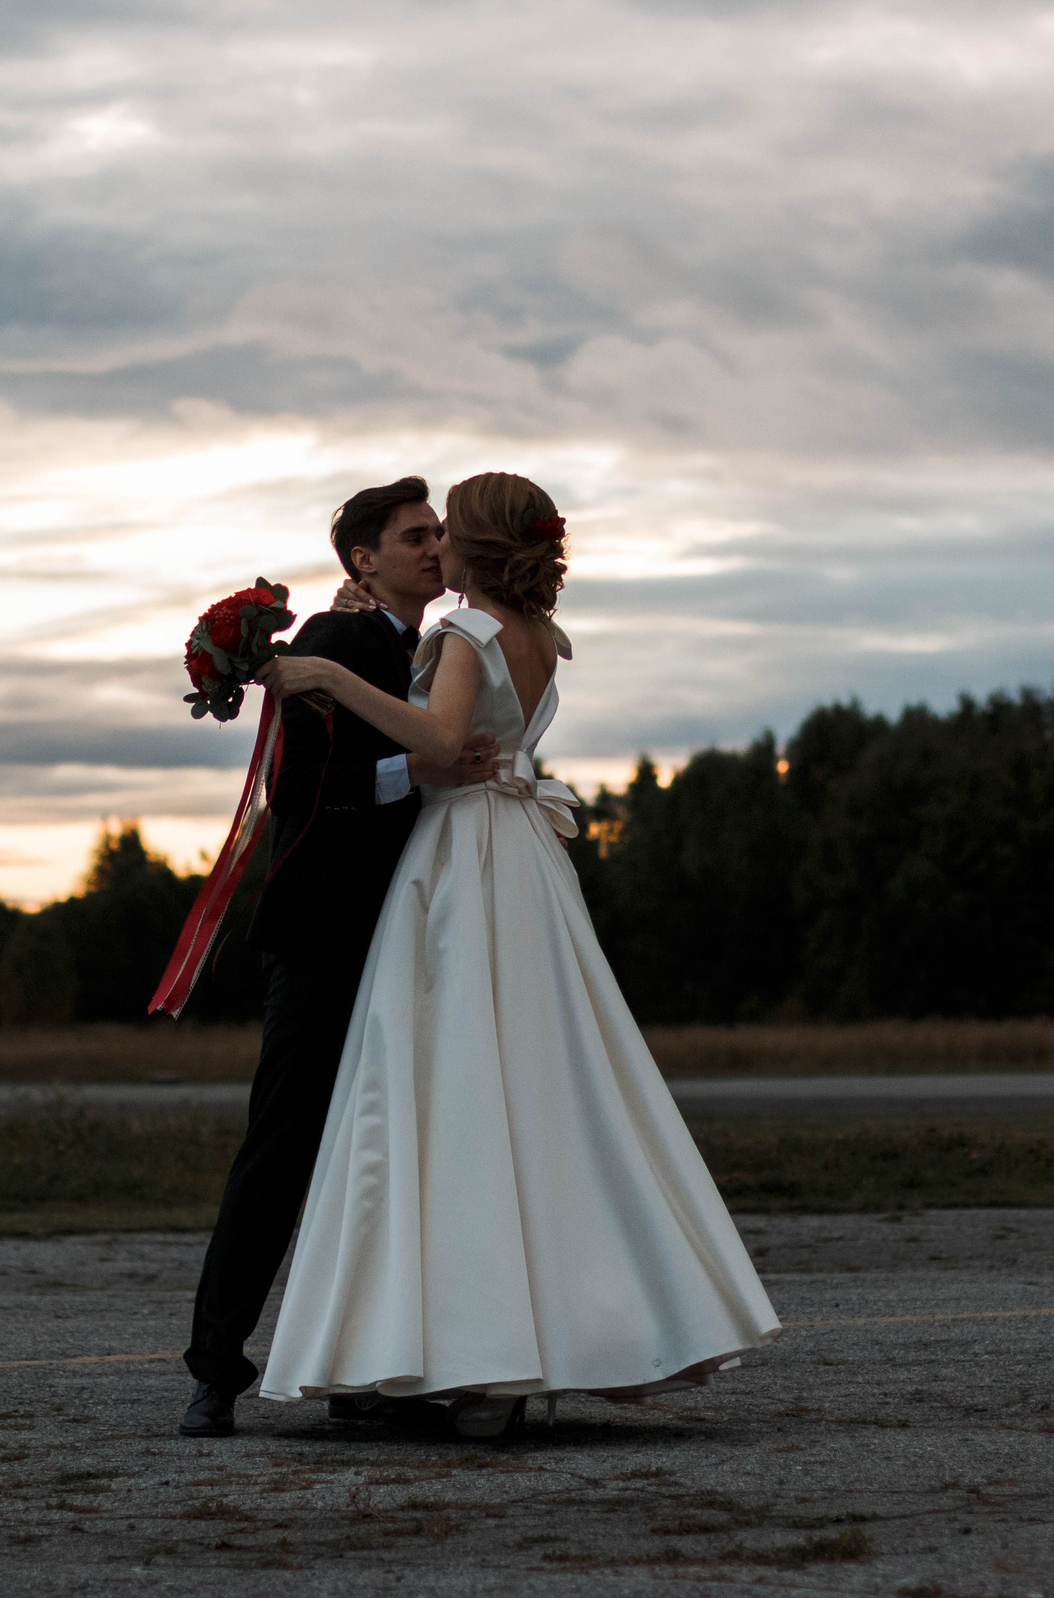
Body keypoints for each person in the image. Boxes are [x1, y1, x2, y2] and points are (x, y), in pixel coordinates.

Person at [253, 472, 779, 1438]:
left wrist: (329, 674)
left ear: (475, 548)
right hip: (527, 862)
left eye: (447, 530)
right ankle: (531, 1344)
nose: (436, 543)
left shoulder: (467, 634)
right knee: (538, 1083)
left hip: (462, 861)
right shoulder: (539, 637)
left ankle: (475, 1355)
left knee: (447, 1088)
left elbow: (444, 740)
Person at [179, 477, 500, 1438]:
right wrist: (423, 768)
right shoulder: (335, 641)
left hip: (417, 927)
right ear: (362, 560)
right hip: (325, 929)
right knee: (285, 1143)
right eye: (413, 536)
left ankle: (371, 1364)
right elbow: (303, 780)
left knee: (386, 1145)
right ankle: (214, 1367)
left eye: (440, 531)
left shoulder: (435, 648)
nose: (434, 546)